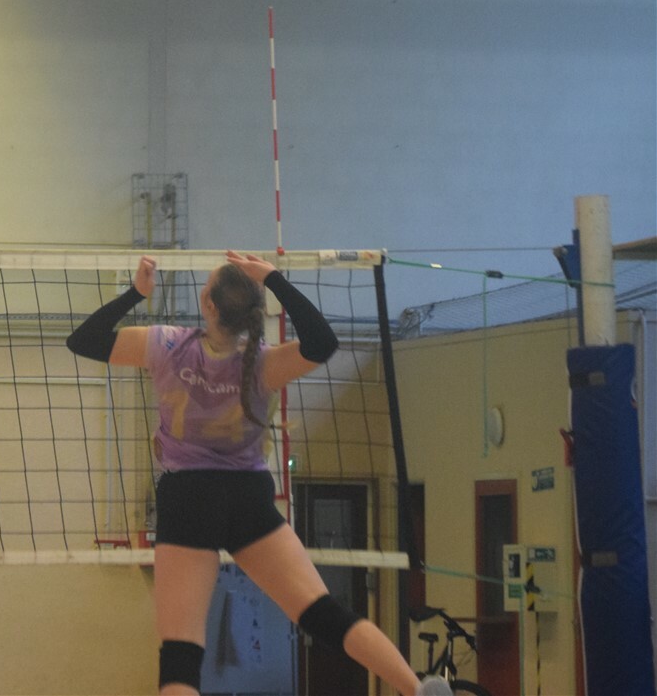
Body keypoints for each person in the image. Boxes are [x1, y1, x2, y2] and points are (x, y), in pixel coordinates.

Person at [66, 251, 451, 696]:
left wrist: (137, 292)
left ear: (208, 305)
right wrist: (273, 278)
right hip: (247, 498)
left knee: (180, 652)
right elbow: (322, 342)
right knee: (322, 612)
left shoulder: (166, 344)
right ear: (253, 309)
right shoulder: (266, 363)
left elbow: (83, 340)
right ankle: (415, 688)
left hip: (187, 497)